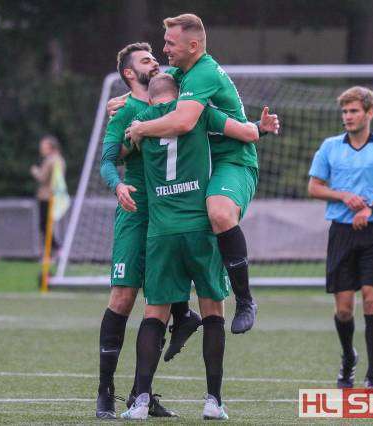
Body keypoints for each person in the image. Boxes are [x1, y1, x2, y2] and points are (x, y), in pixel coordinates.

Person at [124, 14, 280, 334]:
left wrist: (141, 127)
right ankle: (182, 314)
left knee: (219, 213)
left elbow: (183, 122)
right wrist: (122, 103)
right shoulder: (181, 73)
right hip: (200, 166)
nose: (164, 48)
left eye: (170, 43)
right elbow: (153, 91)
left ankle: (245, 300)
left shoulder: (202, 73)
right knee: (175, 224)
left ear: (193, 46)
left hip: (231, 162)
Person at [121, 73, 264, 421]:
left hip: (161, 233)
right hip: (201, 229)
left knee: (154, 314)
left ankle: (140, 401)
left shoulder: (140, 122)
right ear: (181, 95)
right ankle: (213, 401)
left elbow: (118, 151)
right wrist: (261, 126)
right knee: (213, 311)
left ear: (151, 97)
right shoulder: (198, 113)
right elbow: (245, 133)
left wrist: (129, 121)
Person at [95, 42, 188, 420]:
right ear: (130, 74)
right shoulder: (125, 110)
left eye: (155, 58)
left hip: (170, 213)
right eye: (147, 60)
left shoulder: (176, 100)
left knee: (159, 304)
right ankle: (105, 392)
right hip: (136, 213)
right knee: (122, 298)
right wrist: (118, 186)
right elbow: (106, 161)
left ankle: (141, 394)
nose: (157, 63)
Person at [307, 86, 373, 389]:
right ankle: (349, 357)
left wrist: (371, 207)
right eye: (345, 111)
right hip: (341, 233)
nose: (348, 117)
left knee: (372, 300)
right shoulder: (330, 147)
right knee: (344, 309)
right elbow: (314, 187)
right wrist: (342, 196)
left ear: (369, 112)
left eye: (353, 111)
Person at [30, 135, 65, 253]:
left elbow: (43, 177)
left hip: (47, 197)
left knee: (44, 226)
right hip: (52, 196)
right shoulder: (59, 159)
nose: (41, 149)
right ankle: (52, 251)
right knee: (47, 226)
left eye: (43, 147)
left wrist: (35, 171)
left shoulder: (51, 160)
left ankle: (57, 249)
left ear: (50, 147)